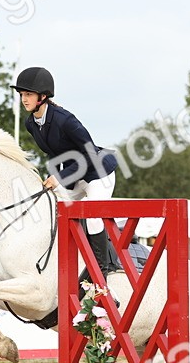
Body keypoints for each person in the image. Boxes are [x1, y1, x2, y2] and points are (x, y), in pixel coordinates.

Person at [14, 66, 120, 276]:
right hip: (76, 175)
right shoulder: (31, 124)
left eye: (28, 94)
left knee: (92, 216)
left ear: (42, 96)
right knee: (50, 204)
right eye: (22, 95)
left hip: (99, 172)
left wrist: (60, 177)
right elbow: (55, 153)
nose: (24, 99)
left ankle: (103, 270)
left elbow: (89, 153)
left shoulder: (65, 119)